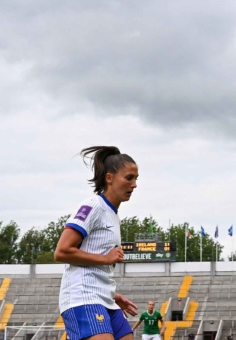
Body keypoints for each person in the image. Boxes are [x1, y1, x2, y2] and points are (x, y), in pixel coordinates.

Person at [56, 146, 141, 340]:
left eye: (136, 178)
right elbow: (62, 252)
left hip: (105, 298)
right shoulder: (92, 206)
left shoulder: (113, 215)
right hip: (83, 298)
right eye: (129, 178)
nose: (134, 184)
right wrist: (105, 258)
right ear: (109, 178)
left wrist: (112, 293)